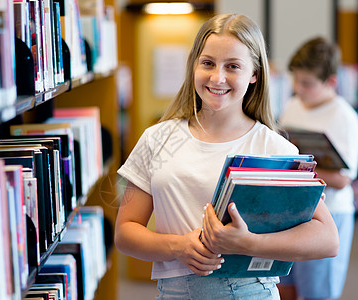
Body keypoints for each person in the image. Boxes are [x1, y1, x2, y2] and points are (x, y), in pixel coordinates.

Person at [115, 14, 339, 300]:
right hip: (175, 293)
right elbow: (125, 233)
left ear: (254, 74)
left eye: (233, 66)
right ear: (194, 65)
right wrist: (179, 246)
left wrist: (248, 243)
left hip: (252, 292)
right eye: (207, 63)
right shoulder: (156, 139)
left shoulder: (275, 148)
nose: (217, 77)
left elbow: (328, 240)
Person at [278, 37, 358, 300]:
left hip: (330, 213)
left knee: (317, 293)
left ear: (331, 82)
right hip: (291, 210)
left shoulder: (345, 117)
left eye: (307, 83)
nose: (298, 88)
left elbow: (342, 180)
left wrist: (298, 167)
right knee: (282, 287)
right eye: (296, 80)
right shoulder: (292, 106)